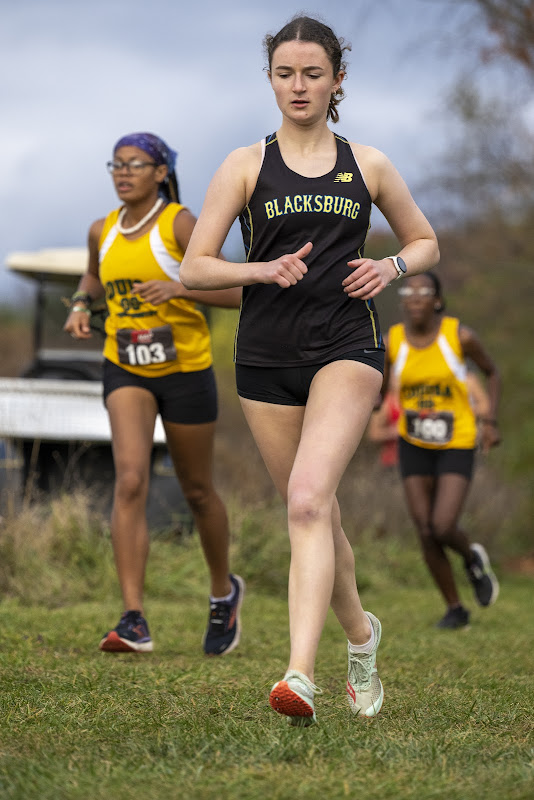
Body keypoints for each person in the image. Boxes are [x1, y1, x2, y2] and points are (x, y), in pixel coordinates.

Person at [180, 15, 439, 725]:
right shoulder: (243, 165)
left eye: (313, 73)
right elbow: (193, 268)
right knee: (315, 510)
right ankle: (362, 637)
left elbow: (425, 243)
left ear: (337, 81)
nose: (299, 86)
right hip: (264, 357)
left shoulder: (370, 164)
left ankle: (300, 675)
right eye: (286, 73)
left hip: (346, 349)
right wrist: (260, 268)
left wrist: (388, 267)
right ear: (271, 80)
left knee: (304, 502)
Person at [64, 132, 244, 656]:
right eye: (116, 165)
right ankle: (134, 617)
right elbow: (94, 276)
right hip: (126, 366)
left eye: (135, 164)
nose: (123, 173)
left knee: (197, 491)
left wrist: (181, 287)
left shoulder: (181, 224)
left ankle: (222, 593)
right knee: (130, 480)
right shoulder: (103, 229)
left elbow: (237, 288)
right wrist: (80, 303)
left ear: (161, 172)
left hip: (185, 368)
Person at [383, 271, 500, 629]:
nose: (415, 297)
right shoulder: (393, 341)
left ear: (436, 299)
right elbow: (381, 385)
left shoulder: (459, 336)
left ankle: (471, 558)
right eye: (409, 291)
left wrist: (490, 421)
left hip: (457, 440)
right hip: (413, 440)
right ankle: (454, 608)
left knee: (443, 524)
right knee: (424, 529)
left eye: (424, 291)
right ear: (403, 300)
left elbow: (491, 372)